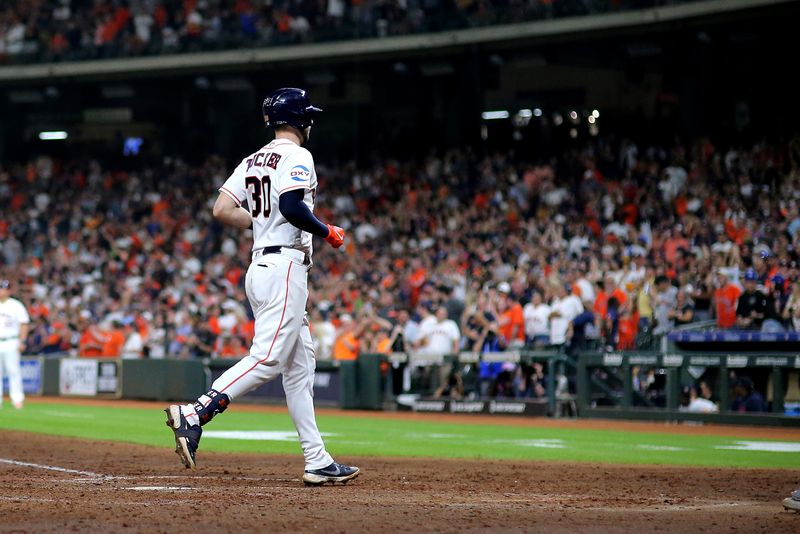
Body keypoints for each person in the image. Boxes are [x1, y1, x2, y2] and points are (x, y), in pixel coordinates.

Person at [165, 88, 359, 485]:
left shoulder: (253, 159)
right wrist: (327, 231)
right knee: (269, 357)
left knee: (300, 368)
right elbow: (290, 206)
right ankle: (195, 413)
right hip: (284, 264)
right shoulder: (298, 155)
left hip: (262, 265)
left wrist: (260, 221)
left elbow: (221, 209)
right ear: (300, 119)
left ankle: (317, 460)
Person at [0, 279, 30, 409]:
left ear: (9, 291)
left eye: (4, 288)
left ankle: (17, 399)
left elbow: (24, 323)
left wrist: (22, 341)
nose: (2, 291)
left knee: (14, 371)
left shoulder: (16, 305)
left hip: (11, 340)